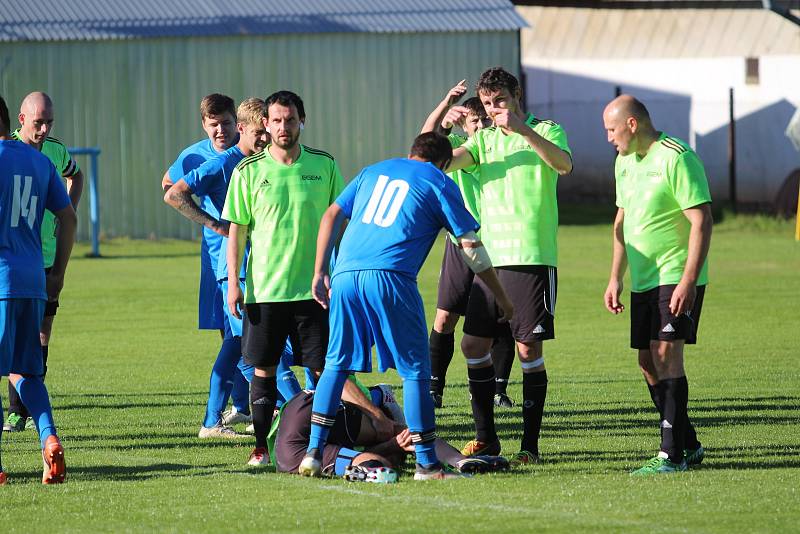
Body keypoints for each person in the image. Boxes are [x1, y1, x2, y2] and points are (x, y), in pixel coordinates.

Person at [299, 132, 514, 481]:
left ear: (412, 153)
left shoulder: (373, 171)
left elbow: (331, 215)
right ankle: (427, 464)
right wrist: (502, 297)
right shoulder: (439, 181)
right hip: (391, 276)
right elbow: (470, 245)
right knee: (415, 370)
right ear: (444, 163)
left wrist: (319, 270)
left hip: (345, 276)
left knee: (336, 363)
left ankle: (312, 453)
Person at [224, 90, 378, 466]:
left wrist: (340, 271)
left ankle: (322, 441)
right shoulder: (248, 171)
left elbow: (343, 221)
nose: (282, 127)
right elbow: (236, 230)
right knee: (264, 369)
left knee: (325, 368)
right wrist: (233, 282)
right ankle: (260, 446)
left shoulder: (324, 166)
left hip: (315, 291)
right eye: (276, 120)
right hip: (265, 292)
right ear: (266, 124)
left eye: (289, 120)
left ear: (301, 121)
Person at [445, 67, 572, 464]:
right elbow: (446, 162)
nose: (494, 108)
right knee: (472, 344)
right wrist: (440, 122)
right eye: (487, 103)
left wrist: (523, 131)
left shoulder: (547, 130)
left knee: (526, 347)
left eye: (500, 100)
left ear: (516, 96)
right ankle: (486, 438)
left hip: (532, 256)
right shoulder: (482, 141)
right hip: (491, 260)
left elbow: (564, 165)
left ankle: (530, 448)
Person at [166, 98, 303, 440]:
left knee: (236, 341)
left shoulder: (262, 161)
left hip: (259, 264)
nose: (266, 138)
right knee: (253, 342)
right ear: (244, 129)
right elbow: (173, 192)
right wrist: (217, 225)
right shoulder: (224, 163)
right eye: (261, 132)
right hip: (232, 267)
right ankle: (300, 405)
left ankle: (220, 418)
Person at [602, 95, 711, 475]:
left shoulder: (677, 157)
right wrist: (616, 276)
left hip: (674, 274)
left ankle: (671, 455)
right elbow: (622, 223)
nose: (609, 138)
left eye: (612, 130)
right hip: (643, 279)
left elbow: (701, 221)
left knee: (665, 356)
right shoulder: (624, 162)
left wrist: (689, 281)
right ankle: (690, 443)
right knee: (647, 361)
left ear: (632, 125)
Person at [421, 81, 517, 410]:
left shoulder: (499, 149)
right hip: (460, 243)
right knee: (445, 317)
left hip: (497, 243)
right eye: (475, 120)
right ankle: (435, 387)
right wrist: (445, 108)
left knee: (499, 316)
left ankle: (499, 389)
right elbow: (423, 148)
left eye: (486, 120)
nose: (482, 124)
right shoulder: (457, 152)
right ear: (463, 125)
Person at [0, 94, 76, 484]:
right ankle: (49, 440)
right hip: (32, 282)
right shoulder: (40, 162)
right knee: (25, 370)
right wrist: (58, 274)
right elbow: (68, 216)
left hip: (0, 281)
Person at [161, 93, 252, 421]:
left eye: (226, 123)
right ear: (204, 125)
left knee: (239, 334)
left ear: (236, 123)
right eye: (213, 125)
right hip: (219, 256)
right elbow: (169, 184)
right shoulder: (196, 155)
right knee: (233, 333)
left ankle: (240, 408)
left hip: (252, 254)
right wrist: (211, 223)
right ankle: (221, 414)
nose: (220, 130)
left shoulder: (247, 148)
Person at [273, 387, 509, 481]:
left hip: (294, 434)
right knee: (387, 458)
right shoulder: (363, 407)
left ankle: (461, 461)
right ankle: (459, 460)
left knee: (392, 448)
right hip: (298, 443)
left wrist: (394, 442)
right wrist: (383, 422)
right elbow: (342, 383)